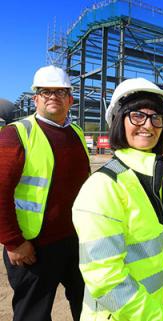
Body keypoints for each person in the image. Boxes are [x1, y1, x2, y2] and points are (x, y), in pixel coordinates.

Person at [72, 78, 163, 321]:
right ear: (119, 121)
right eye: (137, 115)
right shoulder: (104, 187)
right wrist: (158, 317)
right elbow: (105, 277)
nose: (148, 124)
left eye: (156, 117)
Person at [0, 65, 90, 321]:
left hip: (76, 241)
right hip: (33, 248)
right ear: (35, 98)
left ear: (70, 99)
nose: (53, 96)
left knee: (88, 307)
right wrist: (13, 242)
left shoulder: (77, 134)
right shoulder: (16, 135)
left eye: (60, 92)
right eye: (45, 91)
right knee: (33, 314)